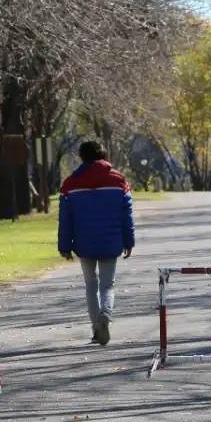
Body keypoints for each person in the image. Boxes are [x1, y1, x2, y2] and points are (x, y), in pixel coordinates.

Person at [58, 140, 135, 345]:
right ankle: (105, 317)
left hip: (84, 244)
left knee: (91, 284)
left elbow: (65, 219)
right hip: (111, 242)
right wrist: (129, 241)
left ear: (82, 157)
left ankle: (96, 328)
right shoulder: (118, 180)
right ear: (103, 155)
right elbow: (126, 214)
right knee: (107, 285)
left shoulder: (70, 183)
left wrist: (65, 246)